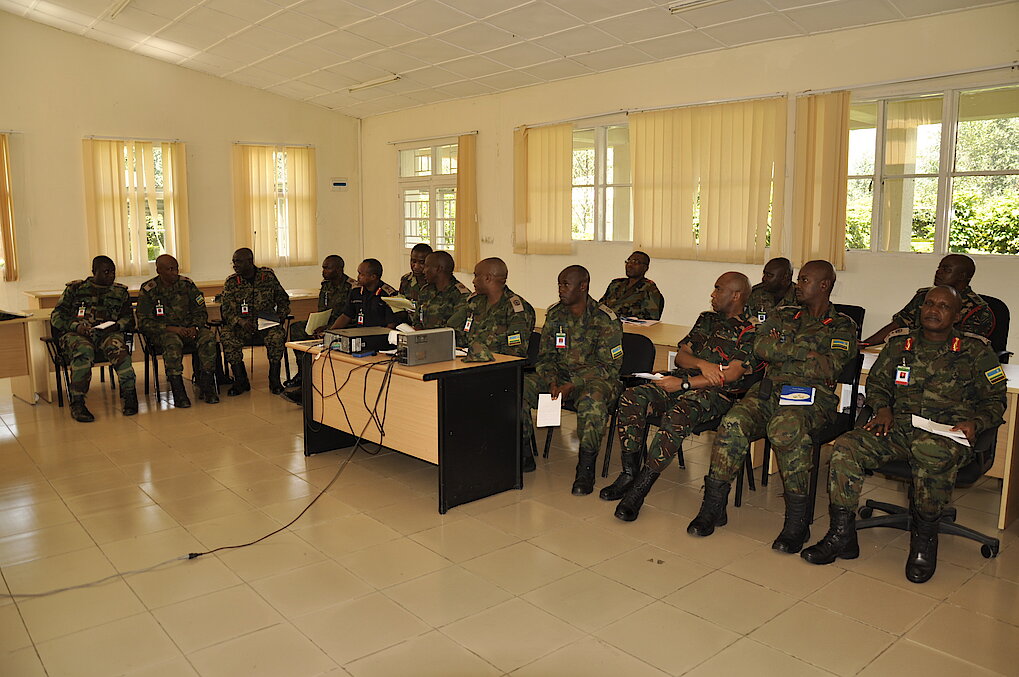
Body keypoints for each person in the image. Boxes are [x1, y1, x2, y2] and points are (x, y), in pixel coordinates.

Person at [802, 286, 1006, 583]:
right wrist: (882, 408)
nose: (933, 310)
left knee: (929, 450)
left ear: (957, 315)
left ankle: (924, 543)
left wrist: (977, 422)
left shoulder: (976, 351)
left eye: (943, 306)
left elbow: (996, 400)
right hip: (897, 429)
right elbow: (877, 384)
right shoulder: (900, 344)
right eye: (929, 304)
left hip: (947, 435)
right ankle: (841, 535)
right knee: (847, 446)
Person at [687, 260, 858, 554]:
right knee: (733, 422)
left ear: (824, 286)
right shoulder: (783, 313)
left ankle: (797, 522)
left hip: (811, 397)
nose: (798, 285)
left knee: (785, 428)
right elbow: (761, 348)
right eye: (799, 279)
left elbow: (830, 367)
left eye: (804, 280)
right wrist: (807, 353)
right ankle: (714, 506)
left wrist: (785, 352)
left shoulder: (842, 325)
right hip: (769, 392)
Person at [606, 272, 759, 521]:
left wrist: (684, 384)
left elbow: (730, 375)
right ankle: (629, 473)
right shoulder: (707, 319)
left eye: (718, 289)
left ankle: (639, 489)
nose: (712, 294)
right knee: (632, 397)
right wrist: (703, 365)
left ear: (736, 295)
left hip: (718, 394)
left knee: (678, 415)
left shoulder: (751, 329)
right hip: (683, 380)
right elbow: (681, 357)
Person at [523, 265, 623, 492]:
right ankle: (524, 453)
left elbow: (610, 367)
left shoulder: (605, 318)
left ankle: (585, 470)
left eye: (566, 284)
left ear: (583, 286)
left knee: (592, 401)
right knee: (518, 388)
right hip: (559, 377)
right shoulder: (555, 314)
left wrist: (573, 384)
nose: (560, 289)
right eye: (559, 284)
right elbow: (546, 356)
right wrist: (551, 380)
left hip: (594, 379)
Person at [50, 256, 137, 422]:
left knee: (119, 348)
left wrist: (116, 326)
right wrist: (76, 327)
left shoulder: (120, 292)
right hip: (78, 334)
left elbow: (128, 318)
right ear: (94, 272)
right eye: (106, 272)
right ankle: (78, 403)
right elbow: (57, 316)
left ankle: (129, 396)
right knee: (83, 350)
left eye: (113, 272)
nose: (111, 275)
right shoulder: (75, 289)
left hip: (107, 334)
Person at [136, 254, 220, 407]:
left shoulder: (187, 285)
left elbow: (200, 311)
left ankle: (207, 385)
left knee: (208, 337)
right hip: (165, 333)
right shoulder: (149, 290)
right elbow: (144, 322)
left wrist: (195, 327)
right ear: (159, 270)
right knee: (172, 342)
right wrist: (171, 329)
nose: (174, 272)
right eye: (170, 269)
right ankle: (178, 391)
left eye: (176, 268)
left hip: (189, 329)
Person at [863, 254, 994, 345]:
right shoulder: (924, 296)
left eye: (946, 270)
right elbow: (899, 323)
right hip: (916, 356)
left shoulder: (977, 310)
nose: (938, 272)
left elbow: (968, 346)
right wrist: (865, 344)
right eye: (939, 268)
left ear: (962, 276)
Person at [220, 248, 290, 396]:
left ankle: (274, 380)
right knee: (227, 336)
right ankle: (240, 380)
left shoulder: (267, 276)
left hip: (266, 325)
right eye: (233, 262)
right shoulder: (231, 282)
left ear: (250, 261)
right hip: (242, 326)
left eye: (238, 261)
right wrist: (240, 322)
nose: (235, 265)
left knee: (277, 336)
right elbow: (226, 310)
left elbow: (283, 299)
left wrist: (279, 317)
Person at [282, 255, 354, 389]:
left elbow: (350, 316)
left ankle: (321, 374)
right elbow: (322, 309)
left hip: (343, 325)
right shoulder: (326, 285)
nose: (323, 271)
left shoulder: (351, 287)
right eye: (323, 268)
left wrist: (328, 327)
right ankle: (303, 372)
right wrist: (318, 324)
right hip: (325, 322)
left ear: (339, 269)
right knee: (296, 328)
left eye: (327, 268)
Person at [329, 258, 399, 330]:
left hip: (380, 334)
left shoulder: (388, 295)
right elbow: (346, 316)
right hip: (360, 333)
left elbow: (391, 324)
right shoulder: (356, 291)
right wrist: (330, 332)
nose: (358, 277)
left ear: (373, 277)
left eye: (361, 274)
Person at [598, 251, 664, 320]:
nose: (629, 265)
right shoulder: (615, 284)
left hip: (628, 325)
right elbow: (600, 306)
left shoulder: (649, 288)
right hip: (605, 323)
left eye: (635, 262)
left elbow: (652, 318)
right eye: (628, 261)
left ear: (645, 268)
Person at [415, 251, 471, 329]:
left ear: (439, 269)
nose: (424, 271)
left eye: (427, 266)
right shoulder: (426, 290)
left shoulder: (461, 296)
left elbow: (457, 330)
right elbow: (417, 320)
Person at [746, 257, 797, 323]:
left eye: (769, 275)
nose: (764, 278)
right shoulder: (756, 293)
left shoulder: (800, 297)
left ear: (785, 278)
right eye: (764, 274)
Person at [399, 243, 432, 315]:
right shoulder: (406, 280)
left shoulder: (435, 282)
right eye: (413, 261)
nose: (416, 266)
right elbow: (400, 303)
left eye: (421, 262)